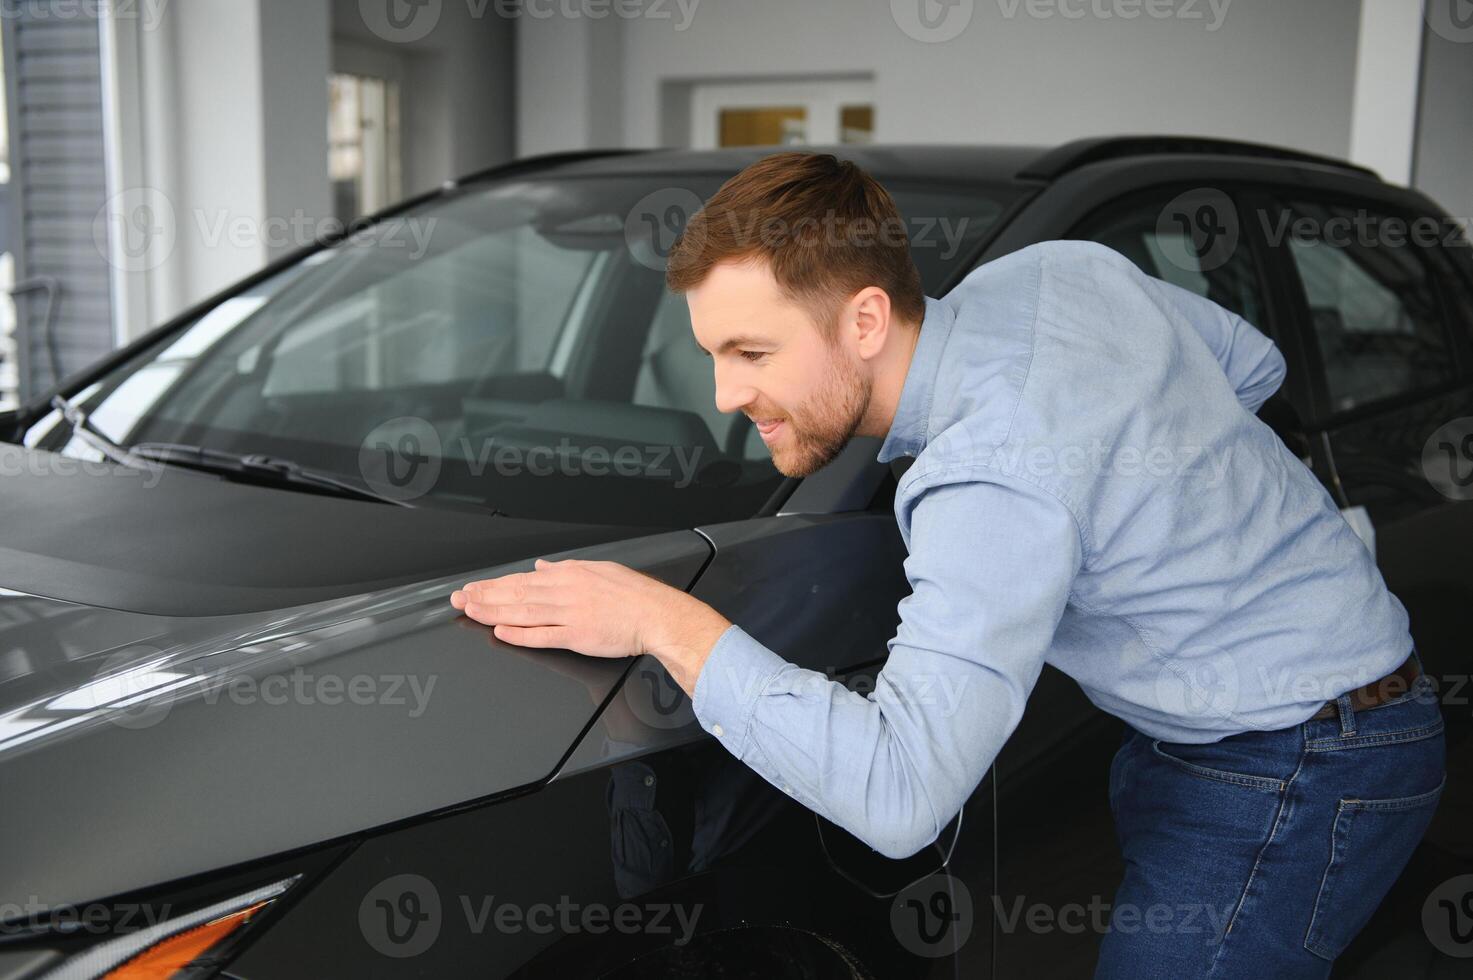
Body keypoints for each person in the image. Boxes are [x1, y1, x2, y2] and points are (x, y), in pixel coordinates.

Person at [450, 151, 1446, 977]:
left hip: (1296, 765)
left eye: (753, 352)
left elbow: (899, 796)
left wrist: (663, 622)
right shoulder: (1059, 272)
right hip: (1258, 725)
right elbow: (1251, 366)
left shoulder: (986, 478)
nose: (721, 393)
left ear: (867, 321)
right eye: (713, 351)